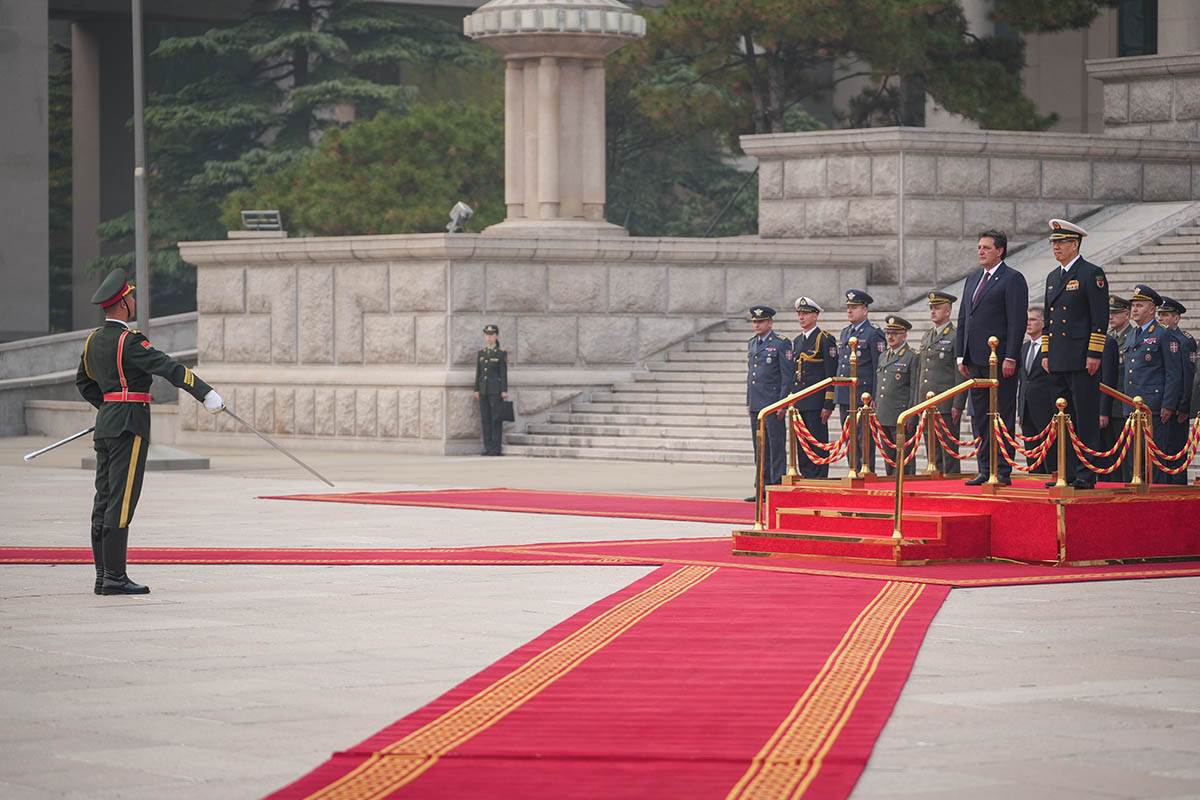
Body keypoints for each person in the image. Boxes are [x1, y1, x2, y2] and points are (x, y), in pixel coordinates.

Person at [75, 269, 224, 595]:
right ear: (122, 304)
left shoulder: (93, 341)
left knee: (103, 498)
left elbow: (83, 382)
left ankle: (103, 576)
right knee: (122, 500)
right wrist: (206, 393)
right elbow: (168, 367)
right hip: (129, 425)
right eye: (130, 296)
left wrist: (107, 408)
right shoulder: (130, 342)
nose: (133, 300)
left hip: (107, 426)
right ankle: (115, 577)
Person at [1040, 219, 1109, 489]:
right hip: (1057, 358)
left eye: (1061, 243)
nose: (1056, 247)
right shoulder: (1052, 277)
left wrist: (1094, 353)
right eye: (1054, 243)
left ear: (1075, 244)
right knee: (1061, 419)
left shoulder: (1091, 274)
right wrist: (1046, 353)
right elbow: (1048, 320)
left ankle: (1085, 473)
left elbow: (1099, 318)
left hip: (1081, 358)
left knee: (1084, 417)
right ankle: (1064, 471)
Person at [957, 229, 1028, 486]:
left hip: (999, 361)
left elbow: (1016, 321)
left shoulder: (1012, 279)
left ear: (1000, 250)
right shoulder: (973, 279)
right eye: (979, 247)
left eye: (986, 247)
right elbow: (965, 318)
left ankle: (1002, 470)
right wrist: (960, 355)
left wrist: (1010, 356)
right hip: (975, 359)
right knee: (979, 415)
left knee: (1001, 414)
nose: (981, 251)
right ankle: (985, 468)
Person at [1125, 285, 1184, 485]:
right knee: (1135, 458)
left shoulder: (1162, 334)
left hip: (1154, 406)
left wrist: (1168, 404)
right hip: (1133, 406)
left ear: (1152, 309)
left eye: (1139, 305)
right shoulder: (1132, 334)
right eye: (1133, 305)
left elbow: (1173, 374)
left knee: (1155, 458)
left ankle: (1158, 497)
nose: (1134, 309)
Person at [745, 306, 794, 500]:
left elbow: (787, 377)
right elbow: (752, 376)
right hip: (757, 403)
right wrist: (749, 401)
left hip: (773, 404)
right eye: (755, 322)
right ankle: (761, 488)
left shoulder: (781, 344)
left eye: (761, 321)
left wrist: (782, 403)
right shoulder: (752, 343)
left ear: (770, 323)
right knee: (760, 448)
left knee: (775, 447)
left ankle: (775, 487)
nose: (757, 325)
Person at [836, 290, 885, 475]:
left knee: (863, 438)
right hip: (845, 394)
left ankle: (865, 472)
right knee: (849, 437)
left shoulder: (873, 334)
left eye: (854, 307)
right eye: (848, 307)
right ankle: (853, 471)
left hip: (863, 395)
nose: (850, 311)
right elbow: (842, 365)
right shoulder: (845, 333)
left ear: (865, 310)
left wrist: (874, 395)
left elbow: (877, 367)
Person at [916, 291, 965, 474]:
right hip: (928, 401)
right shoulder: (927, 336)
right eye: (931, 308)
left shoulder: (954, 335)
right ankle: (934, 480)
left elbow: (960, 373)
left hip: (946, 402)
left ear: (948, 311)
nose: (933, 311)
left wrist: (958, 404)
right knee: (932, 448)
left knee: (948, 449)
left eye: (937, 308)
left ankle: (952, 482)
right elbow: (922, 371)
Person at [789, 296, 838, 478]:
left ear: (815, 316)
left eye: (806, 314)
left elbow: (831, 374)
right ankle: (806, 476)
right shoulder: (797, 341)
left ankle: (818, 479)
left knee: (817, 443)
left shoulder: (824, 339)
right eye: (799, 314)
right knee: (803, 446)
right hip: (801, 401)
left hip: (817, 403)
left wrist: (828, 404)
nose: (801, 317)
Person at [1156, 297, 1195, 483]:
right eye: (1160, 315)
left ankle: (1178, 488)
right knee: (1162, 452)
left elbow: (1187, 375)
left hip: (1177, 407)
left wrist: (1184, 406)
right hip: (1161, 402)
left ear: (1176, 318)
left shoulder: (1184, 341)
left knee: (1175, 452)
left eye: (1166, 315)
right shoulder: (1158, 338)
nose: (1161, 319)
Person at [875, 316, 919, 476]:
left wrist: (912, 416)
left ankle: (905, 490)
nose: (890, 337)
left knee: (904, 460)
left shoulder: (912, 356)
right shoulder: (883, 356)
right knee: (889, 458)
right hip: (884, 415)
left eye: (895, 333)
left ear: (904, 335)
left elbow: (915, 389)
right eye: (888, 333)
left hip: (901, 416)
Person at [1017, 307, 1054, 469]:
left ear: (1043, 323)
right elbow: (1023, 380)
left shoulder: (1051, 347)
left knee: (1049, 452)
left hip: (1046, 407)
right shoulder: (1024, 348)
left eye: (1032, 320)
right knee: (1031, 454)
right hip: (1027, 408)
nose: (1028, 323)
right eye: (1027, 320)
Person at [1104, 296, 1136, 481]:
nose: (1110, 317)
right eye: (1109, 313)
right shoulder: (1108, 337)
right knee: (1109, 456)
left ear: (1126, 314)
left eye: (1115, 313)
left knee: (1127, 456)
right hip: (1107, 402)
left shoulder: (1133, 336)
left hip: (1124, 403)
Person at [474, 324, 509, 456]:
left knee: (495, 419)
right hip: (483, 390)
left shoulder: (500, 353)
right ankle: (487, 447)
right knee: (485, 419)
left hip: (495, 390)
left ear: (496, 336)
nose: (489, 337)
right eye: (487, 335)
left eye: (492, 335)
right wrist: (476, 389)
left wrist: (504, 390)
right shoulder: (481, 353)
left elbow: (503, 374)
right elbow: (478, 373)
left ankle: (496, 448)